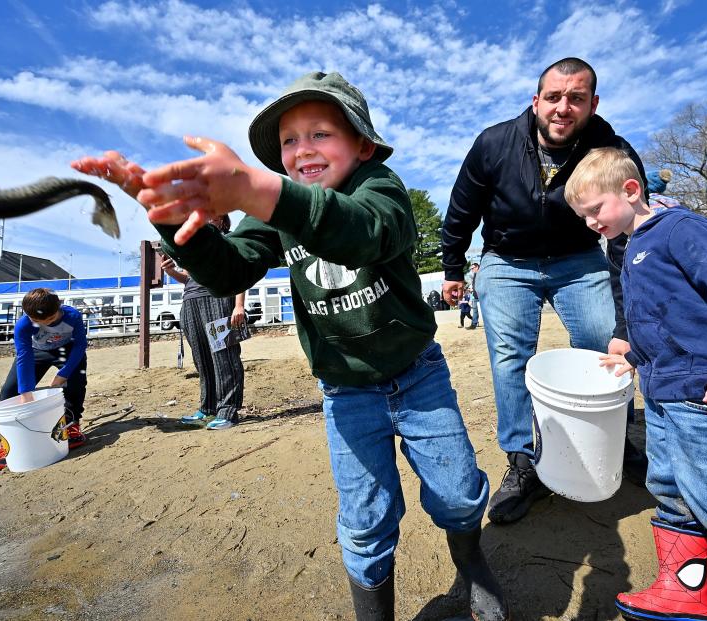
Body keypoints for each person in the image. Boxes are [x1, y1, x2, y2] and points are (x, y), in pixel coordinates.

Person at [73, 71, 511, 621]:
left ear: (362, 143)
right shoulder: (276, 218)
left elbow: (368, 231)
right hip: (347, 389)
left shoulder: (380, 187)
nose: (303, 149)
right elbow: (229, 268)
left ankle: (472, 568)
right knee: (366, 515)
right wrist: (174, 221)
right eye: (289, 140)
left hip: (417, 373)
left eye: (320, 133)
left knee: (457, 491)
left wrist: (259, 192)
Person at [565, 147, 707, 621]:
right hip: (662, 393)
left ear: (631, 191)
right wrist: (630, 350)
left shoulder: (679, 231)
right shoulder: (630, 249)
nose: (590, 222)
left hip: (704, 393)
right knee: (667, 483)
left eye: (595, 210)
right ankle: (685, 587)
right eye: (582, 216)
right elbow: (660, 315)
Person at [441, 57, 648, 525]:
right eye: (553, 97)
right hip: (506, 259)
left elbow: (629, 225)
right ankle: (523, 460)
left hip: (578, 258)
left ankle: (619, 440)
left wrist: (625, 309)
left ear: (593, 104)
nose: (563, 108)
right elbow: (460, 211)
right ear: (536, 100)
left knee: (606, 344)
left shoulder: (611, 147)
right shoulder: (494, 144)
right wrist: (453, 267)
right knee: (511, 357)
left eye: (576, 98)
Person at [160, 215, 250, 431]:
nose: (207, 218)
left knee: (224, 356)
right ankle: (208, 407)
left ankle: (227, 410)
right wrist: (171, 272)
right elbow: (189, 278)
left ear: (222, 221)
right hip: (190, 302)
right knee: (201, 357)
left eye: (213, 216)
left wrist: (239, 305)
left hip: (219, 300)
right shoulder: (194, 245)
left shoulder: (230, 240)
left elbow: (241, 273)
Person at [0, 288, 88, 472]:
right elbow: (24, 356)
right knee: (9, 391)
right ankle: (7, 444)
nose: (43, 325)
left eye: (49, 321)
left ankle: (71, 425)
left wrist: (63, 374)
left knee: (76, 383)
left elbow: (81, 344)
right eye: (37, 322)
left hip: (67, 350)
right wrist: (25, 392)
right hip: (36, 352)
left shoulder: (72, 316)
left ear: (58, 308)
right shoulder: (23, 325)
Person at [465, 262, 480, 329]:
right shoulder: (475, 275)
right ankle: (473, 325)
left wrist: (473, 290)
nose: (472, 270)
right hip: (475, 296)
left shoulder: (480, 274)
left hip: (481, 296)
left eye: (473, 268)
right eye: (471, 269)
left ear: (477, 267)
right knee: (475, 311)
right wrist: (472, 289)